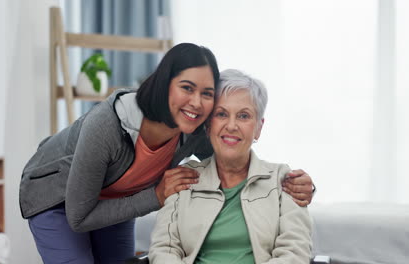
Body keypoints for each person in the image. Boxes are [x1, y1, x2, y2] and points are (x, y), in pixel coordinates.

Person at [19, 43, 313, 264]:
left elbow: (235, 148)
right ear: (165, 84)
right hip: (59, 200)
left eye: (207, 94)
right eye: (187, 87)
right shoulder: (106, 125)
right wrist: (157, 196)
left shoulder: (196, 129)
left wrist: (298, 184)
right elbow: (80, 218)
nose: (196, 103)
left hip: (117, 199)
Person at [149, 69, 312, 263]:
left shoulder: (284, 181)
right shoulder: (183, 178)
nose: (232, 125)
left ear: (258, 128)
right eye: (221, 114)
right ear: (208, 125)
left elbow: (294, 253)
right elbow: (164, 250)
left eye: (243, 116)